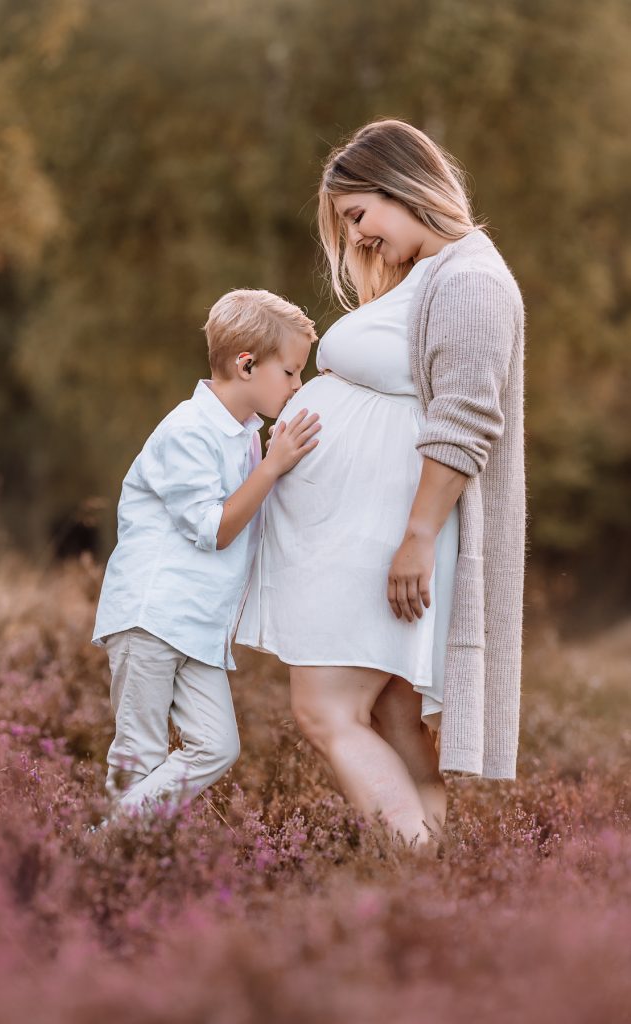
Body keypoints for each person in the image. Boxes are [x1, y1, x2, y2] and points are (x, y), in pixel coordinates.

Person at [236, 120, 526, 850]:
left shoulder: (470, 280)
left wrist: (417, 538)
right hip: (372, 530)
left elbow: (464, 422)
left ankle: (412, 871)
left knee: (325, 710)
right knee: (393, 718)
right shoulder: (437, 275)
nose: (358, 238)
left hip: (389, 533)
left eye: (359, 215)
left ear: (403, 188)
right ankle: (436, 885)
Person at [91, 289, 320, 821]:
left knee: (216, 746)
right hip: (150, 617)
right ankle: (108, 867)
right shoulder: (188, 431)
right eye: (289, 372)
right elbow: (214, 529)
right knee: (137, 757)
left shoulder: (246, 438)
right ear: (246, 365)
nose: (297, 384)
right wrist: (273, 467)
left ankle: (109, 846)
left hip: (198, 627)